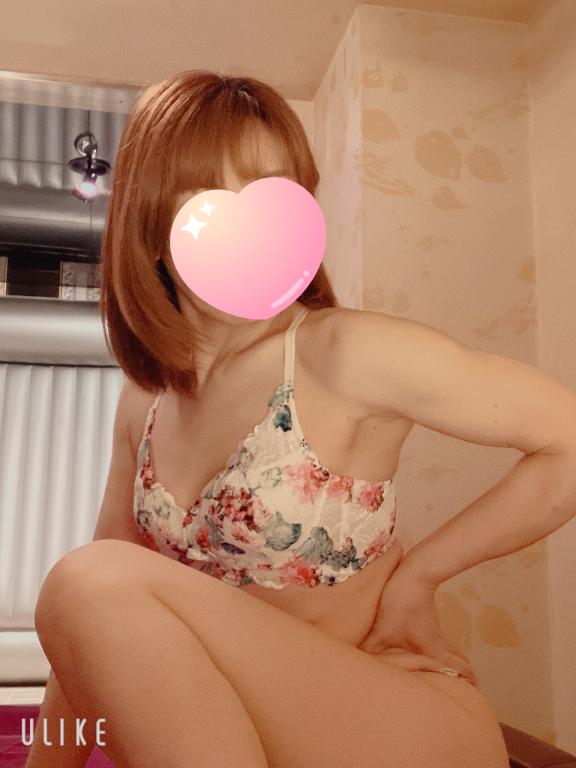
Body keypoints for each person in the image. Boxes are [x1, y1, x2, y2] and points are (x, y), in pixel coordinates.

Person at [30, 68, 576, 768]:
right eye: (209, 194)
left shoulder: (342, 353)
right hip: (245, 741)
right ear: (150, 223)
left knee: (85, 577)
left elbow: (566, 439)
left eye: (271, 190)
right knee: (87, 584)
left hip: (395, 722)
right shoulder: (147, 402)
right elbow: (84, 631)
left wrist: (421, 575)